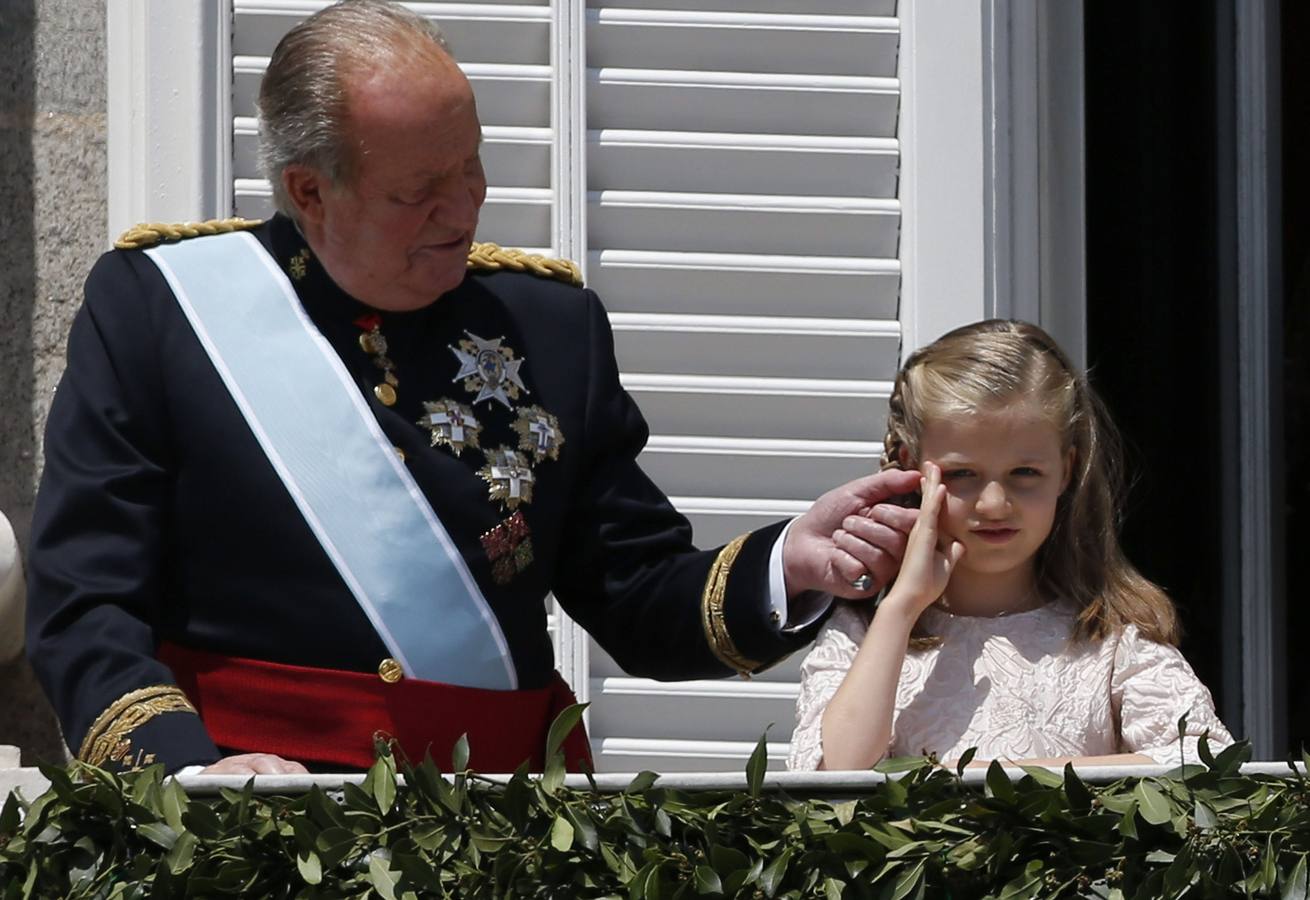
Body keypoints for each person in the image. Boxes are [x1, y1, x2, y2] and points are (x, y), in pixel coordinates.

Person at [25, 0, 918, 777]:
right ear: (310, 191)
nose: (465, 209)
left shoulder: (550, 329)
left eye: (471, 168)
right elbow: (86, 598)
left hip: (492, 821)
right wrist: (189, 774)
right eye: (421, 191)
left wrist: (788, 561)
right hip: (251, 808)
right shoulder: (164, 310)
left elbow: (633, 589)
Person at [789, 320, 1234, 771]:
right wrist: (902, 607)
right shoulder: (863, 633)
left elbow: (1203, 764)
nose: (995, 503)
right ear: (912, 468)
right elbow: (835, 779)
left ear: (1066, 469)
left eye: (1024, 473)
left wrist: (988, 780)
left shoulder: (1110, 635)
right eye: (963, 474)